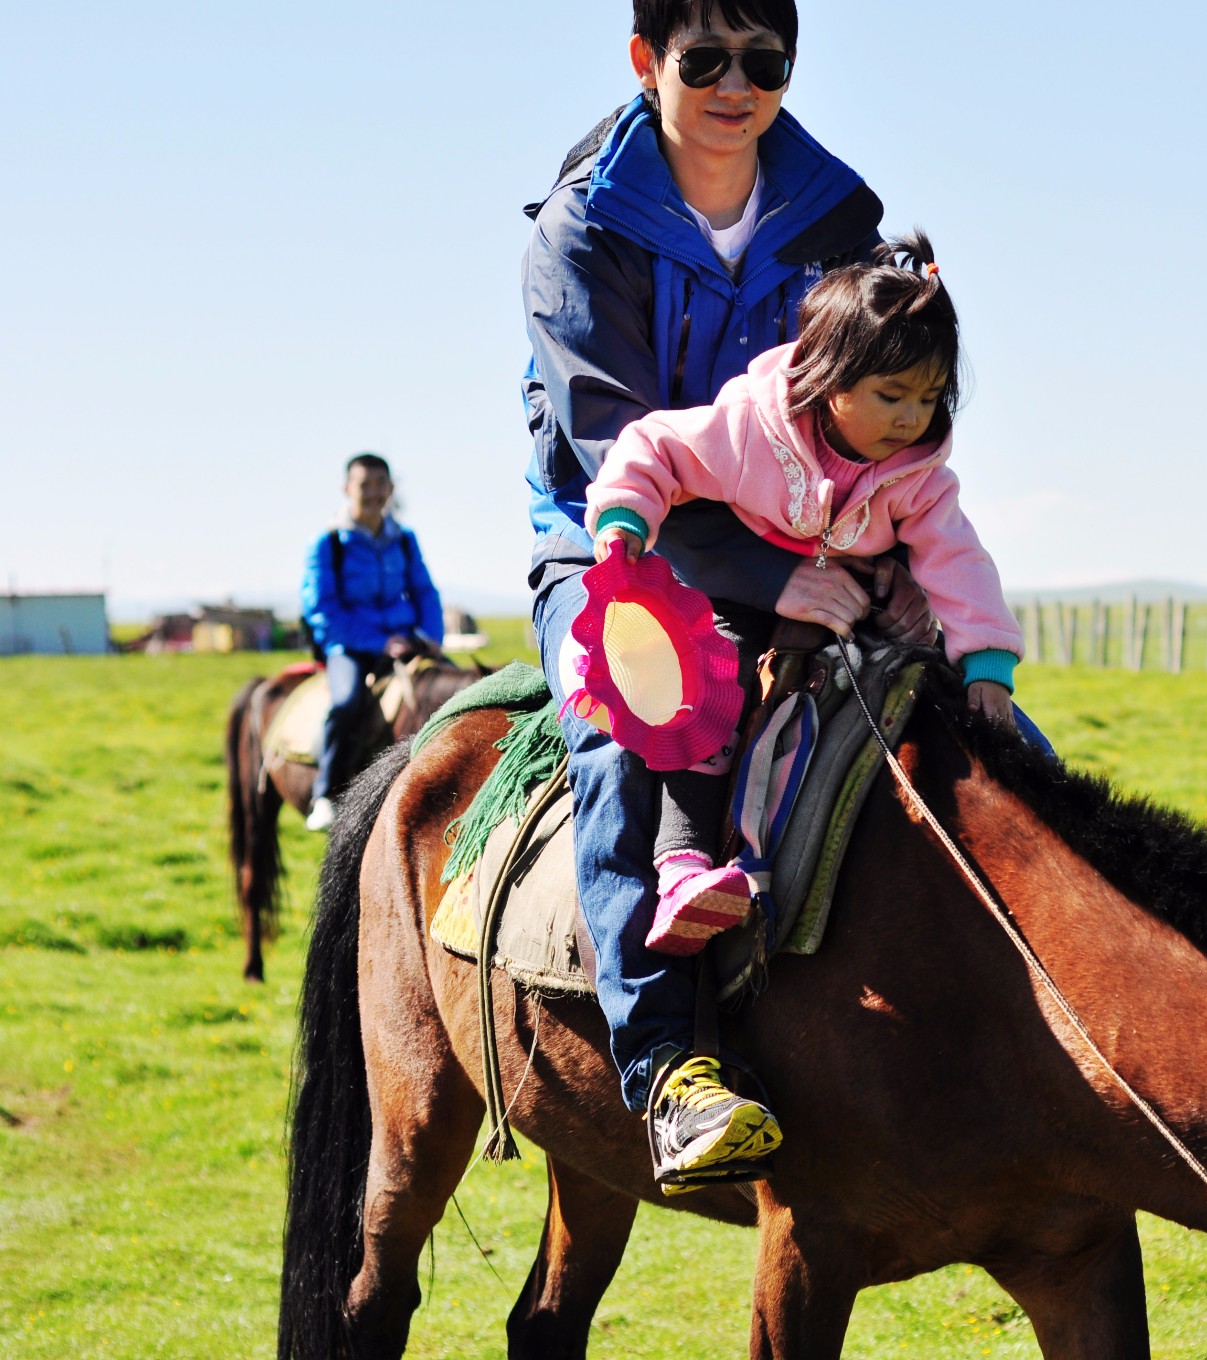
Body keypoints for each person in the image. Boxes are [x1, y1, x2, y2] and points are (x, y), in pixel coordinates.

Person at [521, 0, 940, 1188]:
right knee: (624, 722)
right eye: (702, 57)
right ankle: (664, 1075)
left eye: (764, 60)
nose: (733, 84)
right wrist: (773, 578)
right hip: (616, 546)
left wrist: (885, 549)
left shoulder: (842, 218)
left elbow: (880, 402)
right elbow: (614, 449)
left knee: (967, 709)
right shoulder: (575, 233)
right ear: (646, 60)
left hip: (821, 539)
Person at [585, 232, 1021, 964]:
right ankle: (682, 866)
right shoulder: (750, 430)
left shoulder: (916, 475)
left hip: (853, 607)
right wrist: (625, 519)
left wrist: (987, 665)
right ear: (833, 377)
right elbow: (655, 447)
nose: (911, 419)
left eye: (927, 397)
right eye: (891, 396)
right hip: (745, 595)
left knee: (968, 726)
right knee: (707, 695)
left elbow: (958, 560)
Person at [299, 452, 444, 832]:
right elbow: (323, 611)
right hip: (350, 646)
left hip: (405, 640)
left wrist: (429, 637)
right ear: (347, 488)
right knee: (347, 703)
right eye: (365, 485)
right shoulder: (328, 544)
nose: (374, 493)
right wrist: (380, 643)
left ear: (391, 489)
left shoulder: (405, 540)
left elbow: (425, 592)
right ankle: (325, 794)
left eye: (381, 484)